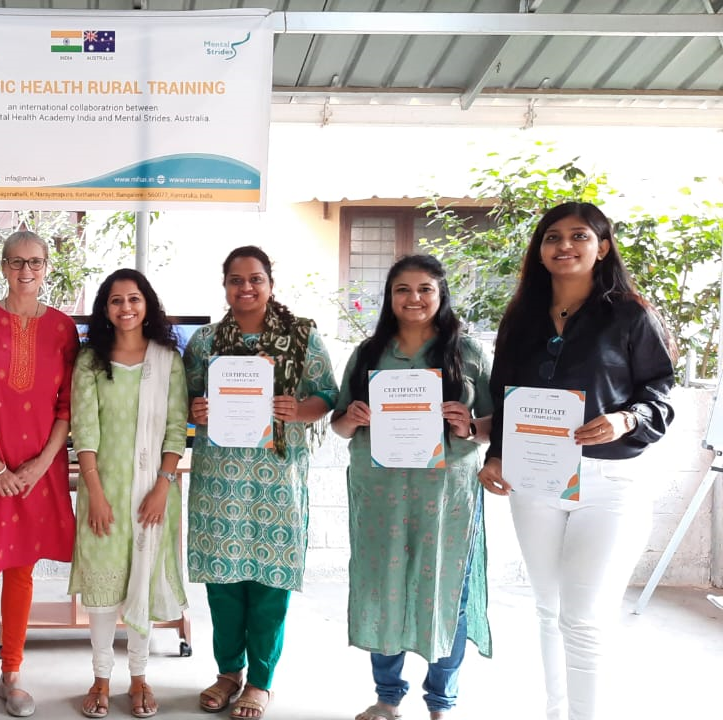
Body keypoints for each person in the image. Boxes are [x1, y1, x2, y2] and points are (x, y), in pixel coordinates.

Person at [477, 202, 675, 720]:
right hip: (537, 482)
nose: (565, 246)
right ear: (539, 252)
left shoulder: (631, 314)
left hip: (611, 483)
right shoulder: (520, 318)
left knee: (583, 619)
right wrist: (496, 456)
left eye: (579, 236)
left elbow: (661, 393)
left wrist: (626, 419)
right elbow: (505, 396)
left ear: (602, 246)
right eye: (552, 237)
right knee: (548, 610)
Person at [330, 255, 493, 720]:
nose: (414, 298)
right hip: (379, 491)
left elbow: (494, 425)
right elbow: (339, 425)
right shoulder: (367, 354)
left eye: (425, 289)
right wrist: (353, 417)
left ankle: (441, 703)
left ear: (441, 295)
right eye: (403, 289)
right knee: (382, 588)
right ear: (389, 296)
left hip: (446, 495)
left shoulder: (469, 354)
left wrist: (469, 426)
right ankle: (387, 698)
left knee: (446, 590)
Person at [184, 245, 338, 720]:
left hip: (277, 477)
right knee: (223, 580)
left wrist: (300, 409)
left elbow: (328, 395)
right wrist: (197, 412)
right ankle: (228, 671)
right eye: (236, 280)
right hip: (219, 480)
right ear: (224, 285)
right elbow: (187, 400)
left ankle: (261, 681)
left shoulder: (302, 337)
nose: (245, 288)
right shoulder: (205, 342)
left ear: (270, 282)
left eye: (255, 279)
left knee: (270, 582)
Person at [0, 230, 79, 719]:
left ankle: (12, 673)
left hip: (38, 470)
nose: (27, 271)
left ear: (48, 267)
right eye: (17, 262)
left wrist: (43, 463)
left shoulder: (64, 329)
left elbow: (68, 404)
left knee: (22, 573)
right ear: (2, 266)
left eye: (36, 263)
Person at [69, 269, 189, 719]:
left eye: (134, 299)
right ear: (105, 308)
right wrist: (94, 491)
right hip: (103, 490)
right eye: (116, 300)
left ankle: (139, 676)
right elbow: (85, 428)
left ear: (147, 304)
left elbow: (177, 427)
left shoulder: (167, 359)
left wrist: (163, 486)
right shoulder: (90, 360)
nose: (126, 308)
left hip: (152, 494)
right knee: (103, 591)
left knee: (142, 578)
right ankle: (101, 677)